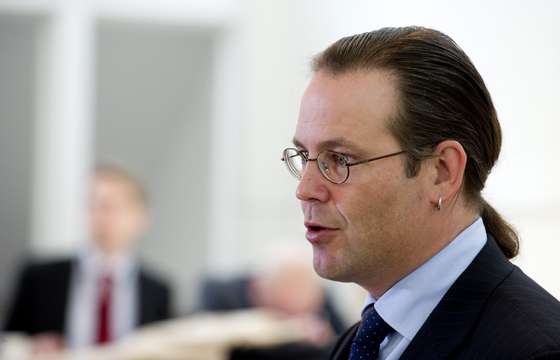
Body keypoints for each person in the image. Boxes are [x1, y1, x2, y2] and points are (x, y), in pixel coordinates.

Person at [282, 26, 560, 359]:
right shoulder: (359, 344)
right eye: (304, 156)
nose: (306, 189)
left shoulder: (535, 351)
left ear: (442, 171)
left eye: (340, 159)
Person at [4, 165, 171, 352]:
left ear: (140, 216)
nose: (100, 216)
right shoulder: (39, 278)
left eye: (111, 207)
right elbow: (9, 342)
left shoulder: (157, 290)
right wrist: (29, 348)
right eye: (93, 205)